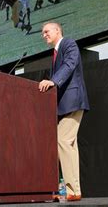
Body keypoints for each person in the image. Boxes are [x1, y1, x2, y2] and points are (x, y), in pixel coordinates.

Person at [38, 22, 90, 202]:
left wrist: (53, 81)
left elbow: (69, 64)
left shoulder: (69, 44)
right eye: (42, 33)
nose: (43, 35)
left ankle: (71, 189)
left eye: (46, 31)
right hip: (64, 106)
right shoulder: (54, 54)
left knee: (63, 140)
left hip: (74, 102)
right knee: (69, 145)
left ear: (57, 30)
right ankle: (74, 190)